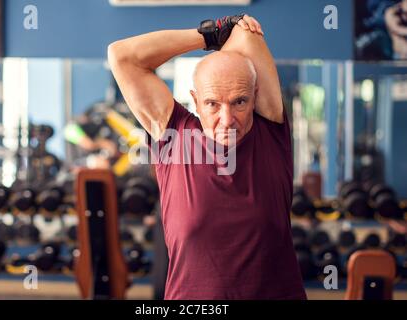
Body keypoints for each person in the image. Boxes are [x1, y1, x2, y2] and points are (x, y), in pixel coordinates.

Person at [108, 14, 306, 300]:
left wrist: (231, 31)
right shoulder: (172, 134)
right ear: (196, 100)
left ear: (255, 96)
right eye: (213, 104)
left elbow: (244, 34)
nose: (227, 120)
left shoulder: (270, 131)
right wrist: (208, 35)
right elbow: (122, 55)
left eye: (239, 101)